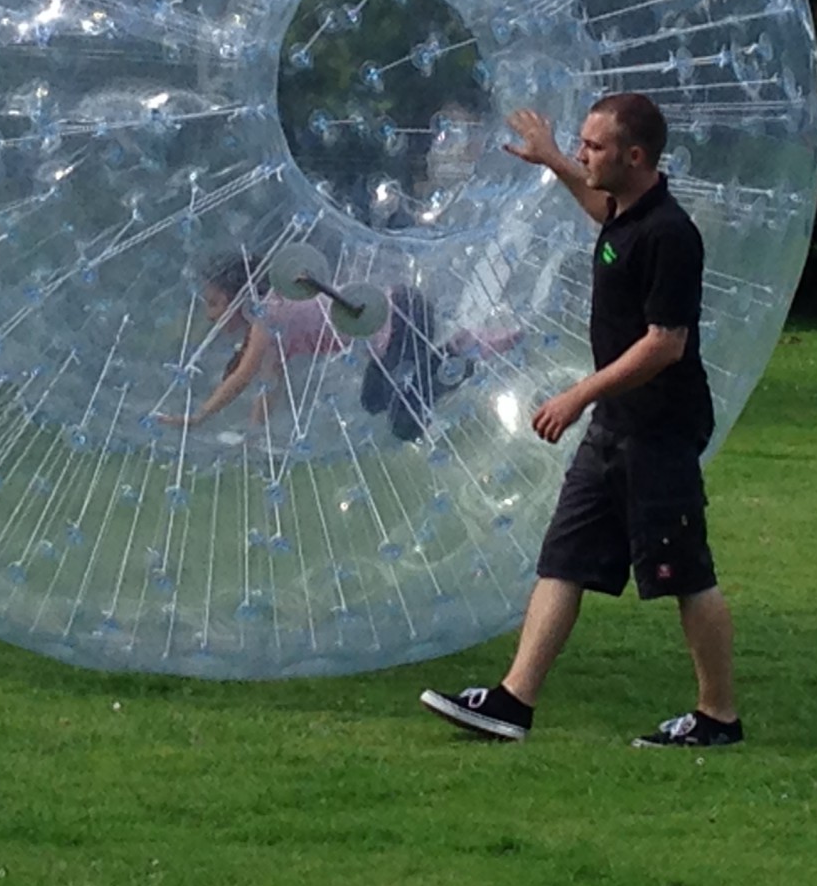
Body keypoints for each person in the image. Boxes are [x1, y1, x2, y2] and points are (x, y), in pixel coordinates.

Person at [420, 93, 741, 748]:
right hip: (615, 429)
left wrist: (577, 396)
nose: (583, 153)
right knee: (563, 560)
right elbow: (600, 207)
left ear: (635, 156)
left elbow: (665, 344)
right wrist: (553, 161)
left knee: (686, 574)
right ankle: (514, 702)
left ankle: (718, 717)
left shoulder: (670, 234)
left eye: (594, 147)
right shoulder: (626, 214)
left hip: (659, 430)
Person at [165, 255, 446, 440]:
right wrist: (253, 436)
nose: (210, 315)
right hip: (394, 320)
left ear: (242, 298)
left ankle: (455, 356)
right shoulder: (270, 329)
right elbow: (269, 386)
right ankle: (440, 364)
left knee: (405, 423)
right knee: (373, 402)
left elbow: (242, 377)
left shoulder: (268, 314)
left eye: (215, 303)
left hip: (401, 316)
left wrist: (199, 417)